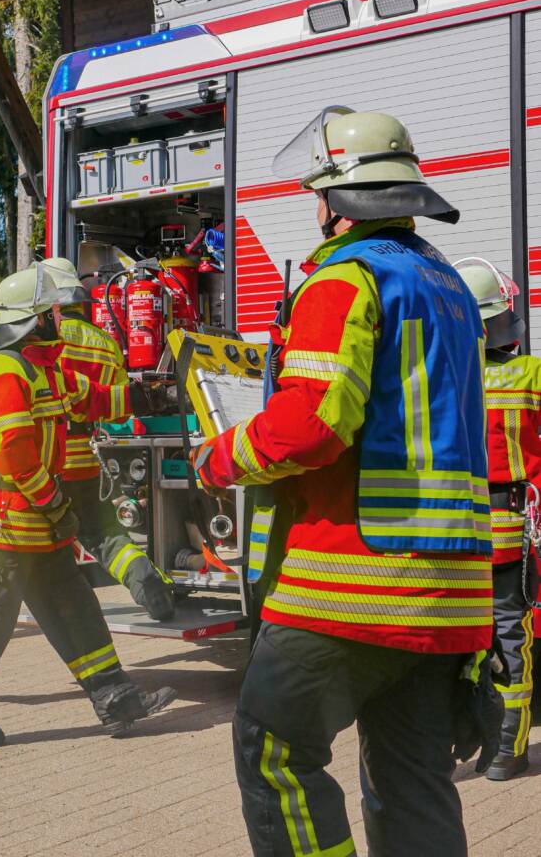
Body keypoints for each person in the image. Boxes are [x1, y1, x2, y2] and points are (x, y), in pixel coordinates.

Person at [191, 107, 494, 857]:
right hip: (445, 592)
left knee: (274, 752)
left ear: (334, 199)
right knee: (412, 781)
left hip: (347, 585)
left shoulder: (342, 279)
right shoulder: (447, 283)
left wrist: (220, 454)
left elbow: (309, 428)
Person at [0, 265, 175, 751]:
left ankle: (116, 699)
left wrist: (147, 395)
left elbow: (95, 399)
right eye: (52, 312)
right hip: (9, 530)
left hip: (40, 529)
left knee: (76, 610)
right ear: (31, 320)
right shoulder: (5, 371)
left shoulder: (47, 370)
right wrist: (53, 500)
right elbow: (13, 451)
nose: (61, 318)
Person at [42, 256, 175, 621]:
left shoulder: (44, 338)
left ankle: (62, 611)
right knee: (106, 535)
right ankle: (146, 580)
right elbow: (118, 409)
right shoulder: (105, 342)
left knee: (38, 541)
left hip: (48, 462)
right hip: (89, 460)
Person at [455, 257, 541, 780]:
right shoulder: (531, 376)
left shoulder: (440, 380)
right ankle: (509, 752)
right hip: (509, 532)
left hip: (450, 534)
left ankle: (455, 744)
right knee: (512, 637)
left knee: (454, 640)